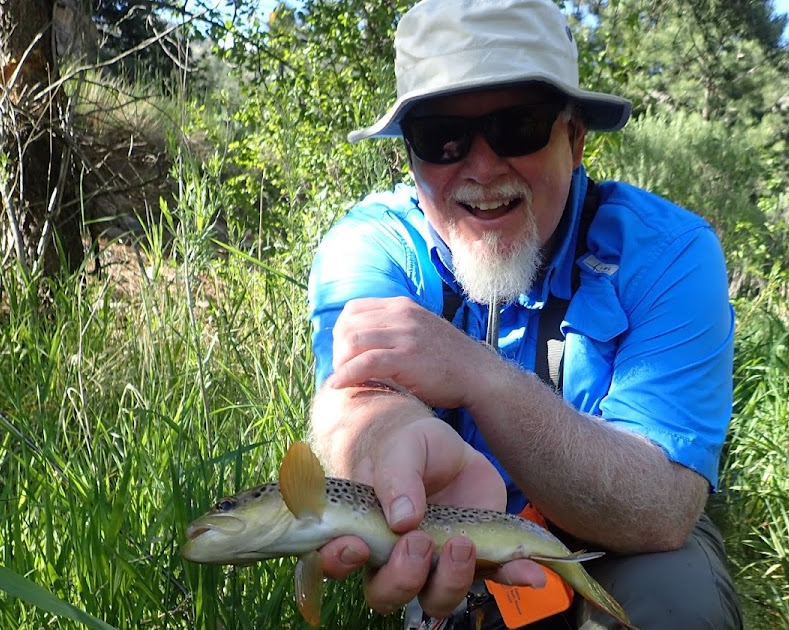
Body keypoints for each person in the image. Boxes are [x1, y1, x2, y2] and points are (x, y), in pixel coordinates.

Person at [304, 0, 741, 627]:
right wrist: (391, 442)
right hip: (449, 549)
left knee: (677, 595)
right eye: (441, 137)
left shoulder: (669, 255)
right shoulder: (370, 247)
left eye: (520, 126)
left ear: (575, 138)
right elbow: (358, 394)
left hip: (618, 548)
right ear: (410, 157)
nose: (481, 167)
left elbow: (661, 508)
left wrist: (479, 378)